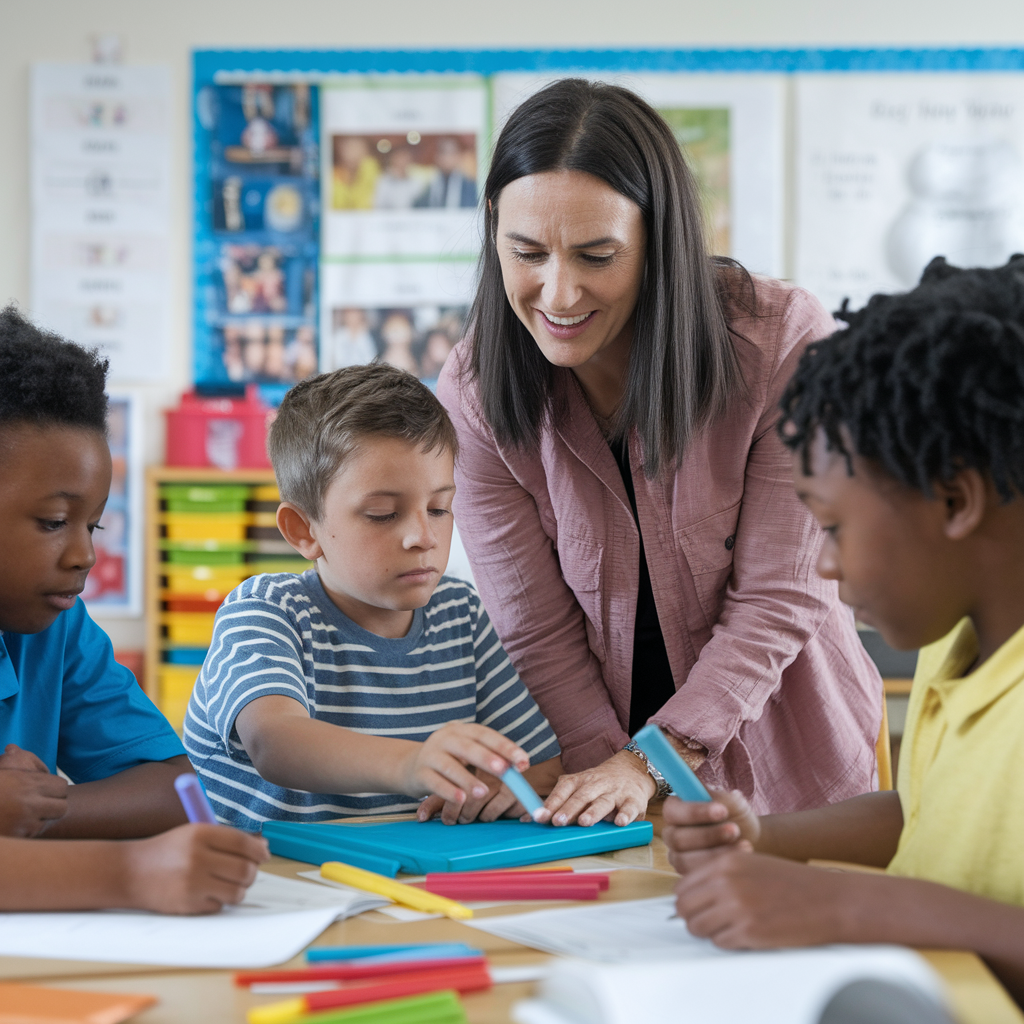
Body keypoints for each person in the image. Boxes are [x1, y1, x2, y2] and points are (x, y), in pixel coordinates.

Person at [437, 78, 882, 828]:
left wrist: (654, 762)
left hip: (791, 774)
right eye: (527, 252)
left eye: (597, 255)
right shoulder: (477, 392)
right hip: (601, 774)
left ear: (659, 239)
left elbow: (781, 597)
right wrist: (610, 774)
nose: (559, 292)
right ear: (492, 228)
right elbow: (535, 629)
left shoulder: (781, 344)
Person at [663, 257, 1024, 1005]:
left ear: (955, 500)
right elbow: (928, 819)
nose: (824, 565)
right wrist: (766, 839)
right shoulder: (956, 646)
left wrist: (844, 906)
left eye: (833, 526)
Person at [184, 363, 562, 830]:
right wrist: (412, 764)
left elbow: (541, 765)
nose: (423, 536)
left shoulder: (460, 614)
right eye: (383, 514)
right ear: (304, 531)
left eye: (439, 508)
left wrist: (497, 792)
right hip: (275, 882)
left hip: (404, 882)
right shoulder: (265, 610)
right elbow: (275, 742)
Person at [0, 306, 267, 913]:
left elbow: (174, 789)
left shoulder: (54, 628)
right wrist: (126, 872)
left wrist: (34, 812)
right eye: (52, 522)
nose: (84, 555)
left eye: (92, 525)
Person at [415, 137, 477, 209]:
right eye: (443, 153)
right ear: (437, 157)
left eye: (452, 153)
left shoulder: (470, 188)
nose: (447, 158)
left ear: (458, 156)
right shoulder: (428, 187)